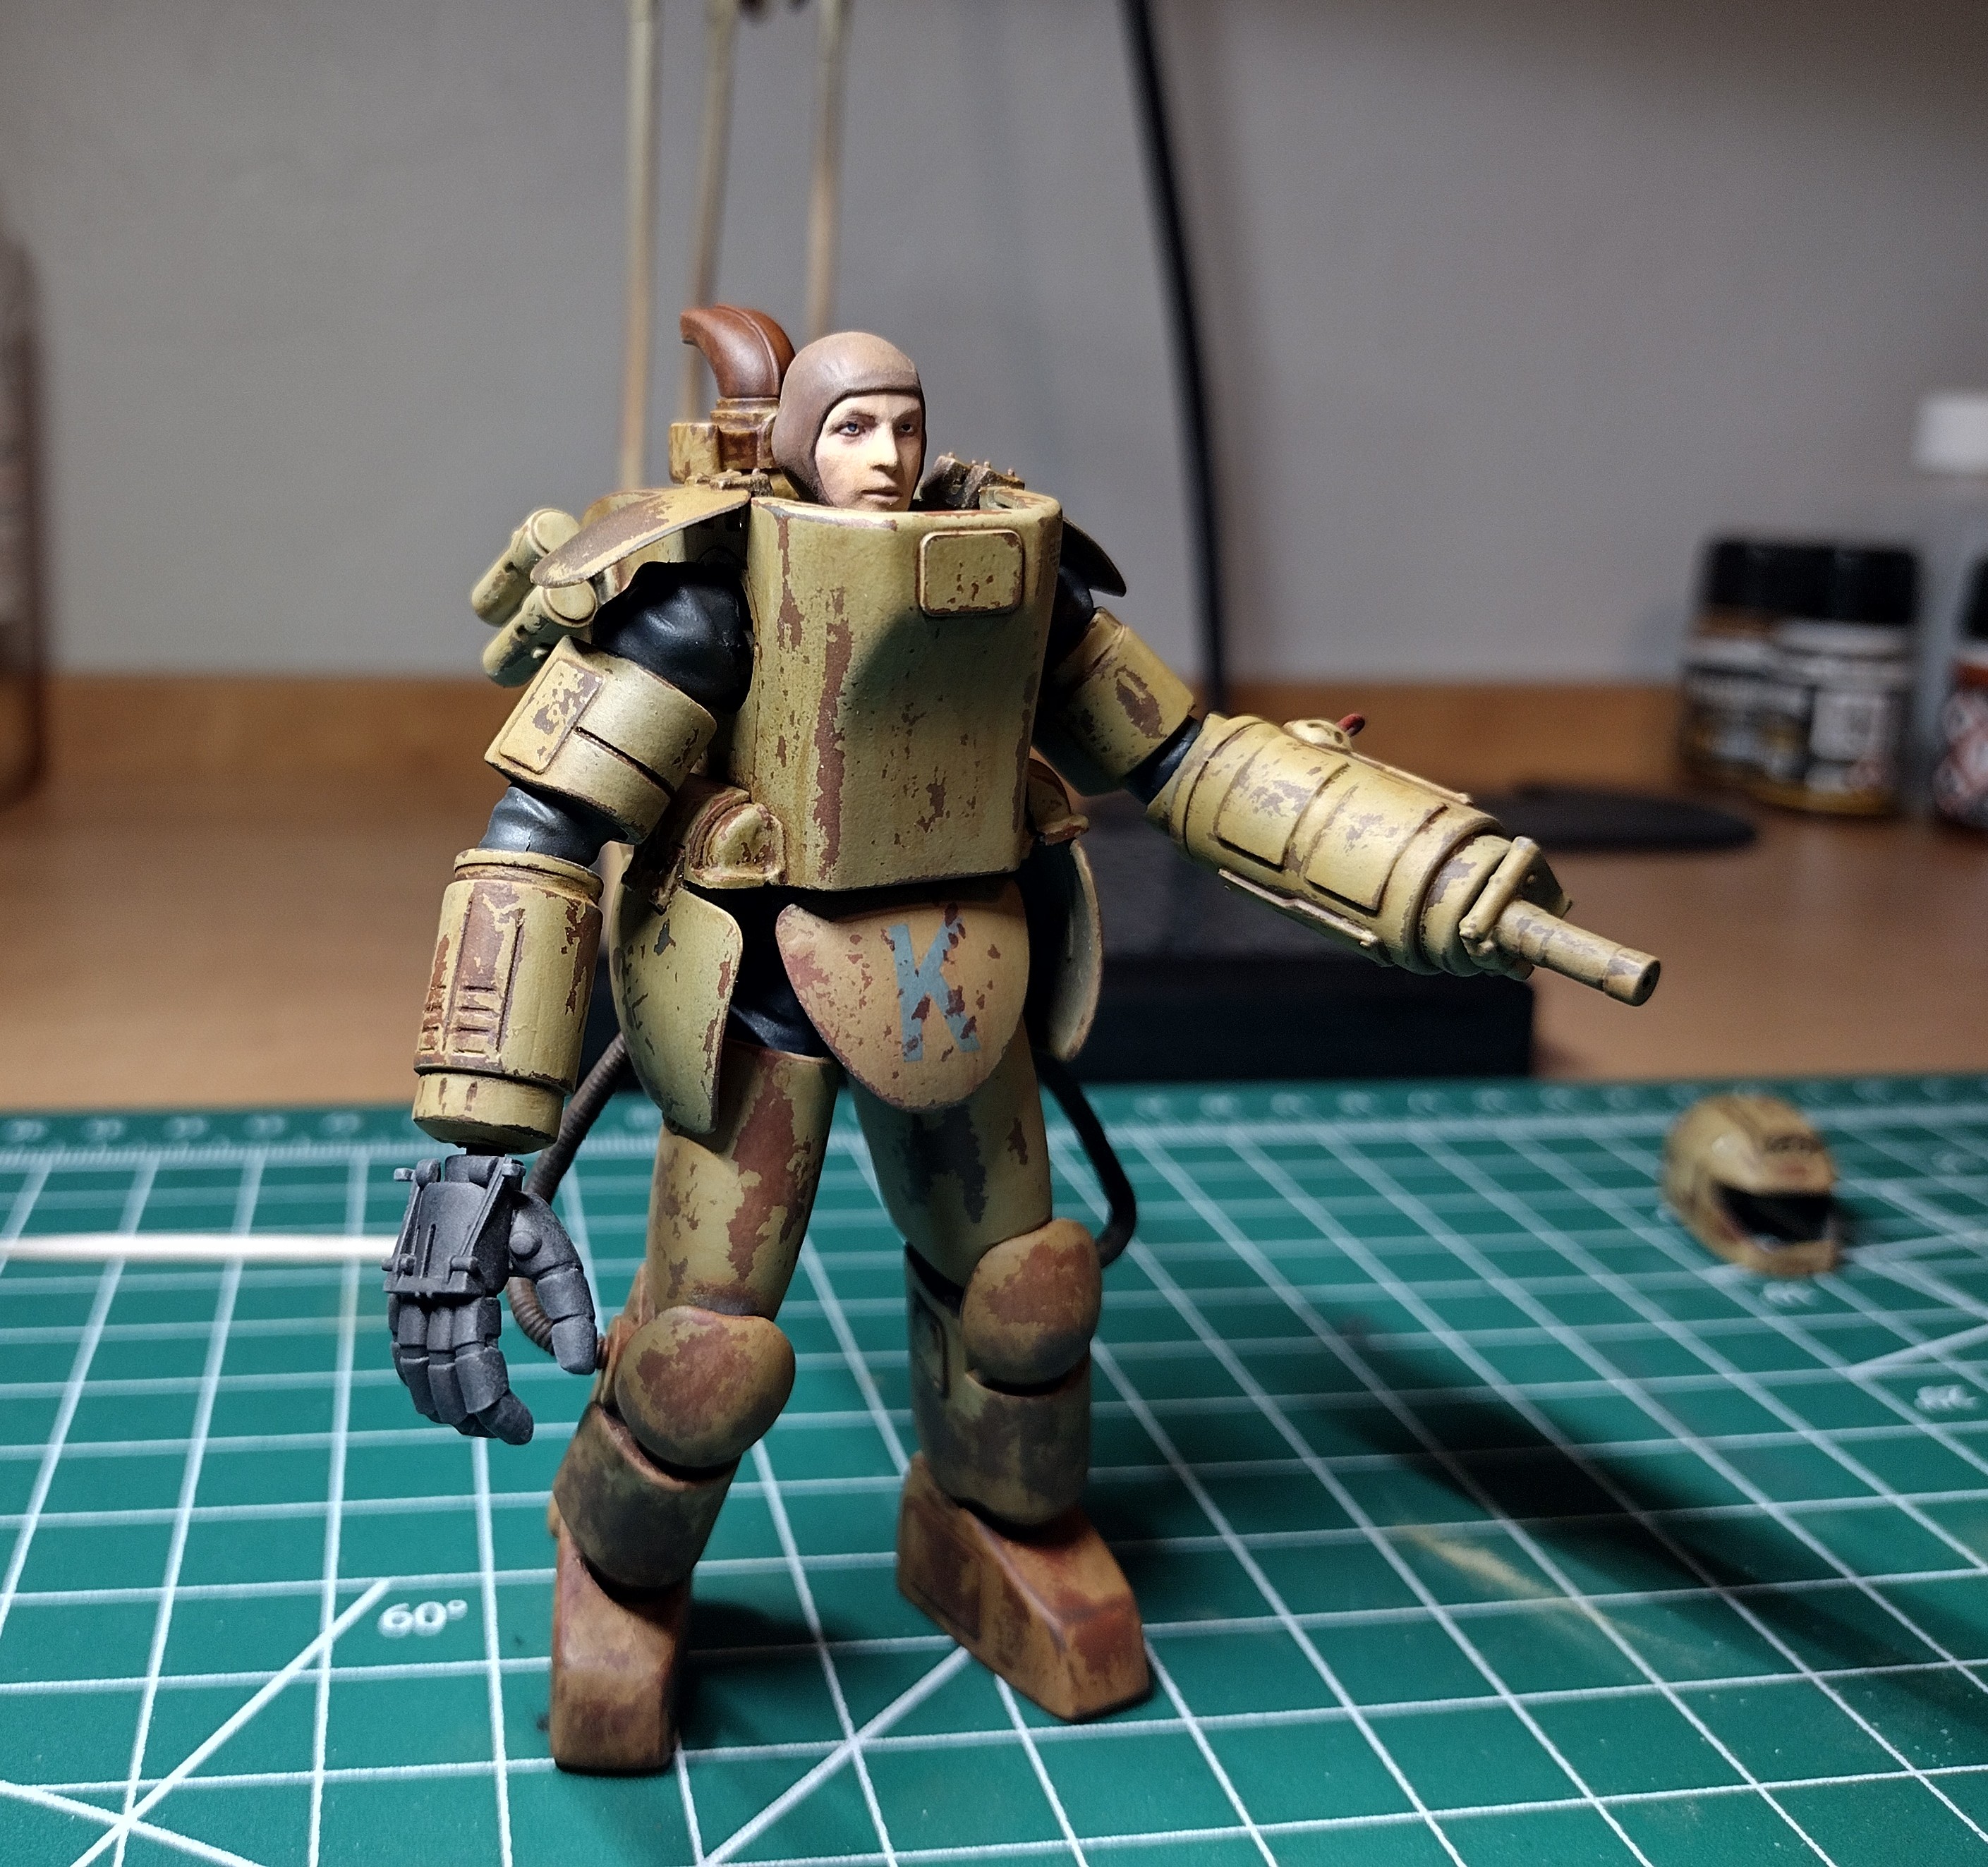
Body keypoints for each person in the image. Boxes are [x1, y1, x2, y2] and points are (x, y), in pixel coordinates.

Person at [389, 305, 1656, 1770]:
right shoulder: (710, 595)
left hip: (961, 972)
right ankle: (618, 1561)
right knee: (703, 1358)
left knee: (1029, 1295)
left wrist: (1418, 865)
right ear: (792, 445)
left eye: (903, 422)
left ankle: (997, 1516)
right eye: (850, 427)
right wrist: (475, 1150)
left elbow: (1178, 755)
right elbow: (542, 830)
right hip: (757, 1000)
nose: (886, 451)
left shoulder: (1012, 579)